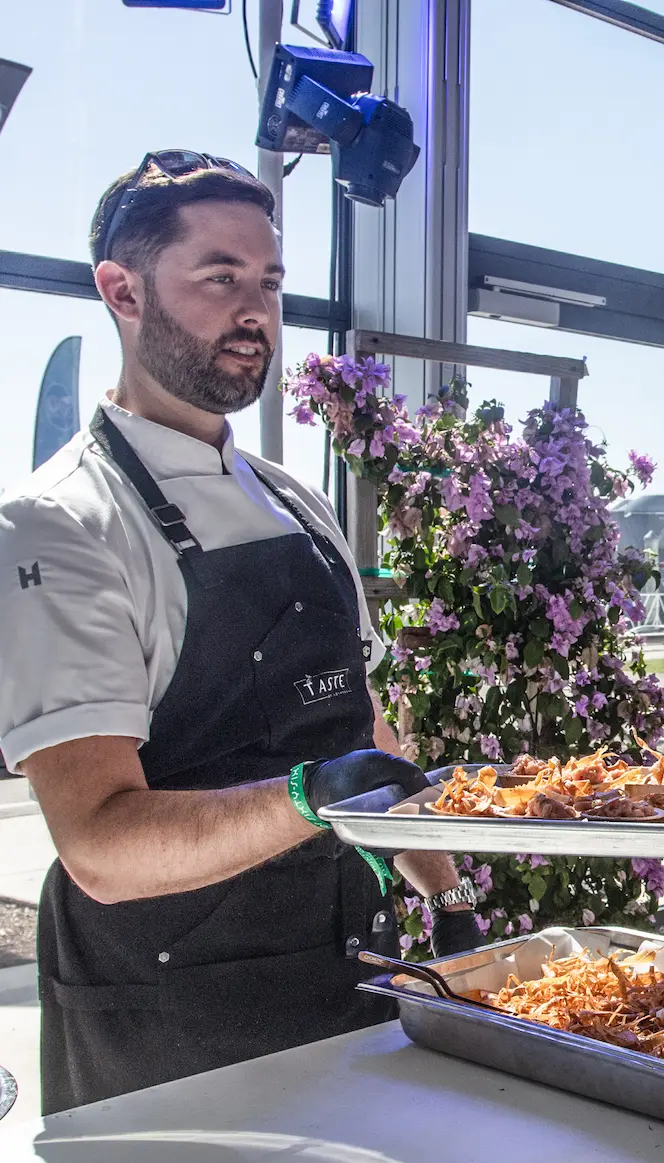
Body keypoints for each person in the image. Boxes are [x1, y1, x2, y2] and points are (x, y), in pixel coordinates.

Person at [0, 153, 482, 1112]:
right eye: (221, 276)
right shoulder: (57, 523)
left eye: (268, 281)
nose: (256, 309)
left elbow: (364, 731)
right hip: (171, 1016)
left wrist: (452, 895)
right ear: (121, 289)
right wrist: (310, 796)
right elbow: (98, 843)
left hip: (348, 967)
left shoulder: (299, 503)